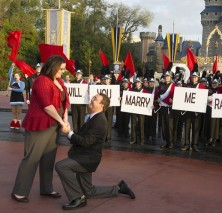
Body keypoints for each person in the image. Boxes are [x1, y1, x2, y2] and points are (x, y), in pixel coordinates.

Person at [56, 93, 135, 210]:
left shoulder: (100, 121)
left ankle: (77, 198)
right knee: (89, 191)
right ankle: (119, 188)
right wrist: (70, 130)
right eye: (92, 97)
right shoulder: (93, 117)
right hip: (84, 156)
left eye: (95, 99)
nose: (91, 99)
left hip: (87, 159)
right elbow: (84, 136)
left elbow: (86, 142)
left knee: (61, 166)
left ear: (102, 105)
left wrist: (69, 133)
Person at [11, 55, 70, 202]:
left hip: (54, 124)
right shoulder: (42, 81)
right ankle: (19, 191)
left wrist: (65, 119)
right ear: (53, 66)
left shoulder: (60, 81)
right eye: (61, 69)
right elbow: (47, 105)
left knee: (49, 158)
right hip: (40, 124)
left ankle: (46, 188)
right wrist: (62, 123)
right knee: (32, 157)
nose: (63, 72)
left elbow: (65, 102)